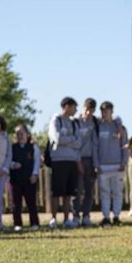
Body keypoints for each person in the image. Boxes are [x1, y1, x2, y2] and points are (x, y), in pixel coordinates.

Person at [48, 97, 82, 229]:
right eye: (74, 107)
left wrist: (68, 140)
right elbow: (57, 138)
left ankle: (67, 219)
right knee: (57, 192)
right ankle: (53, 218)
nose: (75, 110)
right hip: (58, 160)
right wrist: (72, 139)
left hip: (71, 161)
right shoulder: (56, 120)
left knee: (69, 192)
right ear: (67, 106)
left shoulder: (74, 123)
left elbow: (79, 142)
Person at [94, 102, 127, 226]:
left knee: (117, 192)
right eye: (102, 111)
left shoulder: (120, 127)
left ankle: (116, 217)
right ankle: (106, 217)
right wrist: (96, 164)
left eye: (106, 111)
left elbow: (125, 146)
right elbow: (95, 147)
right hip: (103, 166)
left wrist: (123, 162)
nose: (104, 113)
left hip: (117, 166)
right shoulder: (98, 127)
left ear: (112, 112)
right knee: (104, 193)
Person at [8, 124, 41, 230]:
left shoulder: (33, 147)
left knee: (31, 202)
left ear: (27, 134)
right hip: (15, 180)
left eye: (22, 133)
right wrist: (13, 165)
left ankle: (34, 223)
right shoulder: (12, 148)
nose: (20, 136)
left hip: (29, 179)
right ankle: (17, 224)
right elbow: (7, 161)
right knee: (16, 203)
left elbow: (37, 162)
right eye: (18, 134)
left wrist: (35, 174)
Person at [73, 97, 99, 228]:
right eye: (87, 109)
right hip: (78, 159)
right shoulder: (75, 122)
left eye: (92, 110)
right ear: (83, 108)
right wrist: (77, 161)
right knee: (77, 190)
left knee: (89, 190)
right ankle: (75, 215)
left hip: (90, 160)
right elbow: (75, 144)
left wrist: (96, 163)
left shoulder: (95, 122)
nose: (88, 113)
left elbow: (95, 144)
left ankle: (86, 215)